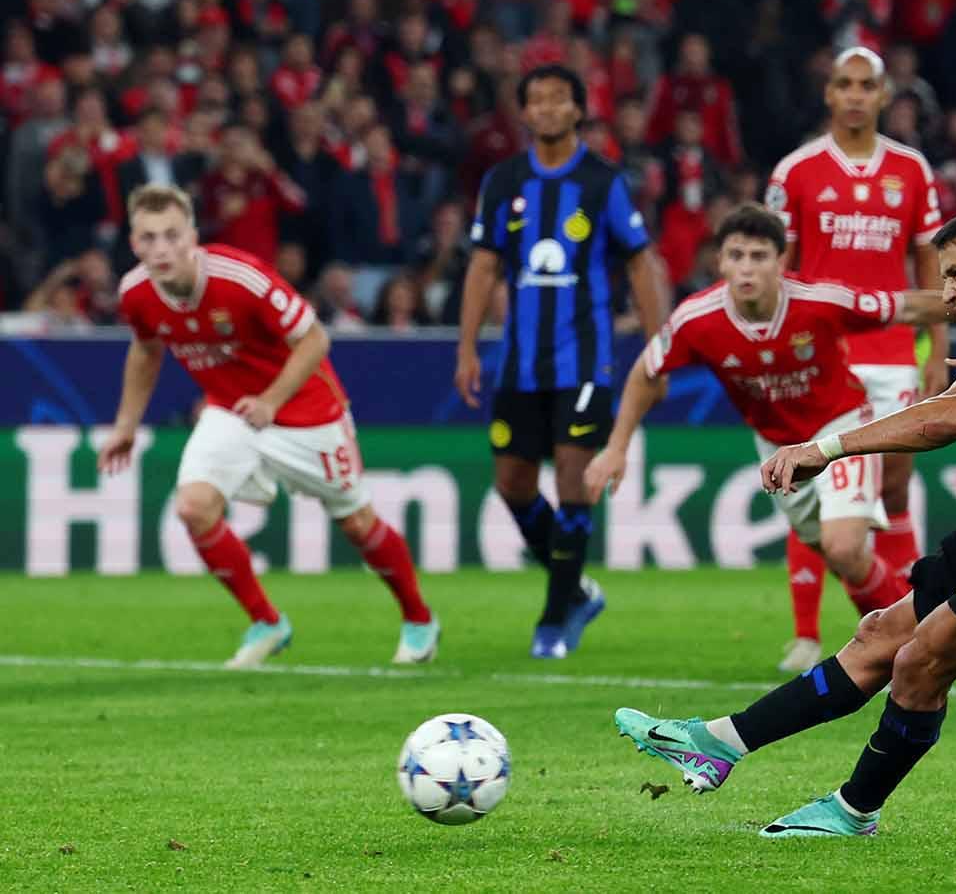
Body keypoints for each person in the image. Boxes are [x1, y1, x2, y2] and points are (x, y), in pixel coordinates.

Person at [612, 205, 956, 836]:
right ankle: (719, 742)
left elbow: (952, 419)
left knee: (920, 662)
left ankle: (852, 812)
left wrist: (827, 447)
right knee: (879, 636)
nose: (945, 293)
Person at [97, 185, 439, 668]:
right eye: (148, 238)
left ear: (192, 236)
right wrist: (126, 424)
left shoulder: (240, 278)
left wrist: (271, 400)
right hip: (232, 410)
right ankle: (267, 621)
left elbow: (315, 339)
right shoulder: (136, 292)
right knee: (194, 508)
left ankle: (420, 619)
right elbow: (146, 349)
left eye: (171, 235)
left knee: (356, 522)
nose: (161, 249)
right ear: (134, 243)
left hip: (305, 408)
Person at [585, 204, 948, 633]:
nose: (746, 269)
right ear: (719, 262)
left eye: (759, 256)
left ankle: (914, 637)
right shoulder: (696, 320)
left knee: (844, 546)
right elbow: (647, 373)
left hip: (841, 427)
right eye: (735, 256)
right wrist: (616, 447)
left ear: (780, 261)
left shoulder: (820, 300)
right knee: (842, 560)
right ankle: (898, 633)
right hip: (777, 448)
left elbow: (903, 308)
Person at [455, 64, 669, 659]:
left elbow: (638, 263)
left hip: (584, 361)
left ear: (578, 109)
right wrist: (468, 346)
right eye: (537, 100)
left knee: (574, 480)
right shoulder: (503, 180)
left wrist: (660, 344)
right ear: (524, 113)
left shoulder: (603, 181)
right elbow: (482, 266)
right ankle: (575, 586)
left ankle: (554, 617)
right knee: (512, 484)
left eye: (559, 99)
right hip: (519, 362)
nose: (548, 109)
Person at [764, 46, 947, 673]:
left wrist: (937, 353)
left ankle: (910, 618)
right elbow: (777, 272)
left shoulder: (912, 169)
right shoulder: (795, 173)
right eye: (843, 84)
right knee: (811, 478)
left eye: (866, 85)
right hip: (821, 362)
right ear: (829, 93)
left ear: (883, 94)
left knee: (894, 484)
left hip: (895, 353)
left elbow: (930, 266)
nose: (854, 95)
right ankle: (807, 634)